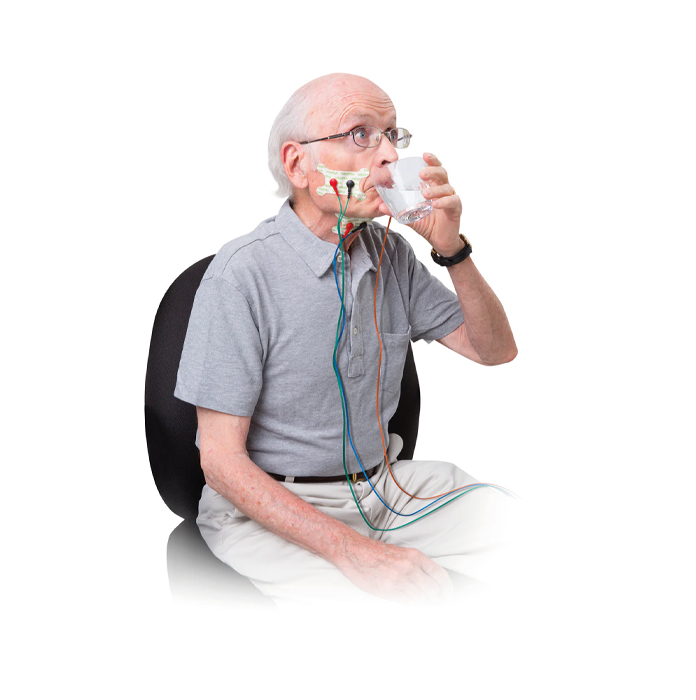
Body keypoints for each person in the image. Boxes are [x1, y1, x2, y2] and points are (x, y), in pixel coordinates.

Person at [174, 73, 520, 608]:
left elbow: (495, 351)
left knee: (535, 534)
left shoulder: (391, 254)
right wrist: (353, 552)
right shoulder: (240, 275)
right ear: (297, 165)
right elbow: (220, 462)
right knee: (366, 617)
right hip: (269, 509)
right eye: (361, 134)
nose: (390, 155)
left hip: (384, 489)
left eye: (392, 135)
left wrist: (453, 251)